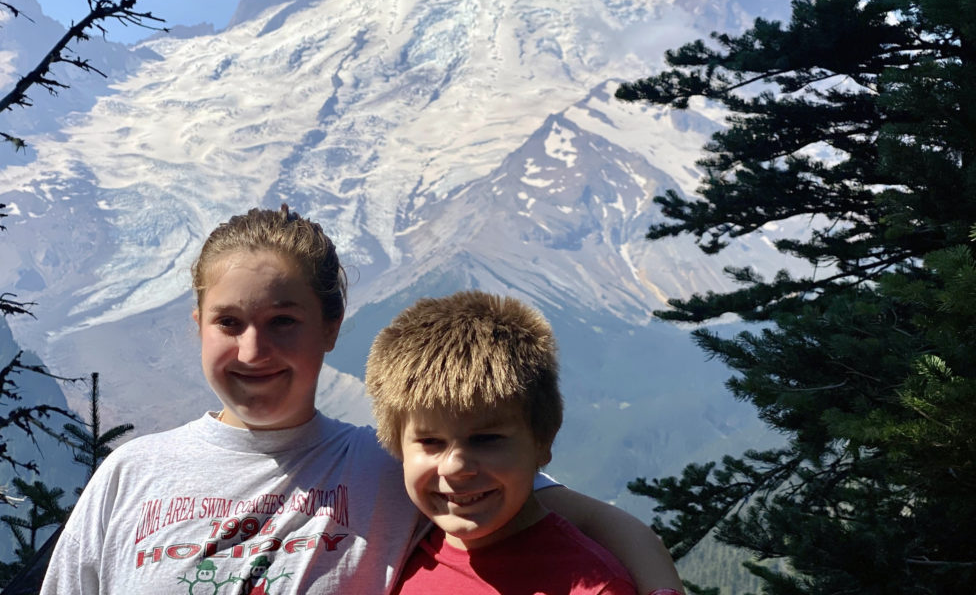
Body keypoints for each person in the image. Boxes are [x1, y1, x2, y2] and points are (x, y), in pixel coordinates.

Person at [39, 206, 683, 594]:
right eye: (228, 322)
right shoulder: (130, 475)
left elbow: (594, 521)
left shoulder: (392, 465)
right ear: (197, 324)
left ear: (331, 326)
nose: (254, 349)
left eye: (284, 320)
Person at [366, 290, 637, 594]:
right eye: (430, 441)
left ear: (543, 439)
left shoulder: (594, 588)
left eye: (485, 439)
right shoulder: (383, 558)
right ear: (397, 447)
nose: (455, 466)